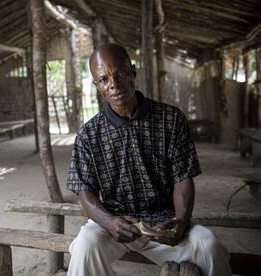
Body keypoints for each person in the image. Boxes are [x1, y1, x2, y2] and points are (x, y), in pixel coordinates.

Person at [65, 44, 231, 276]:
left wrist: (181, 220)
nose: (113, 83)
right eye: (103, 79)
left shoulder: (171, 119)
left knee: (210, 247)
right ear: (97, 86)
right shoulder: (89, 135)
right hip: (115, 224)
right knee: (85, 246)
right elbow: (86, 193)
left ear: (133, 71)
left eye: (120, 73)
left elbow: (182, 180)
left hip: (165, 224)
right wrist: (109, 222)